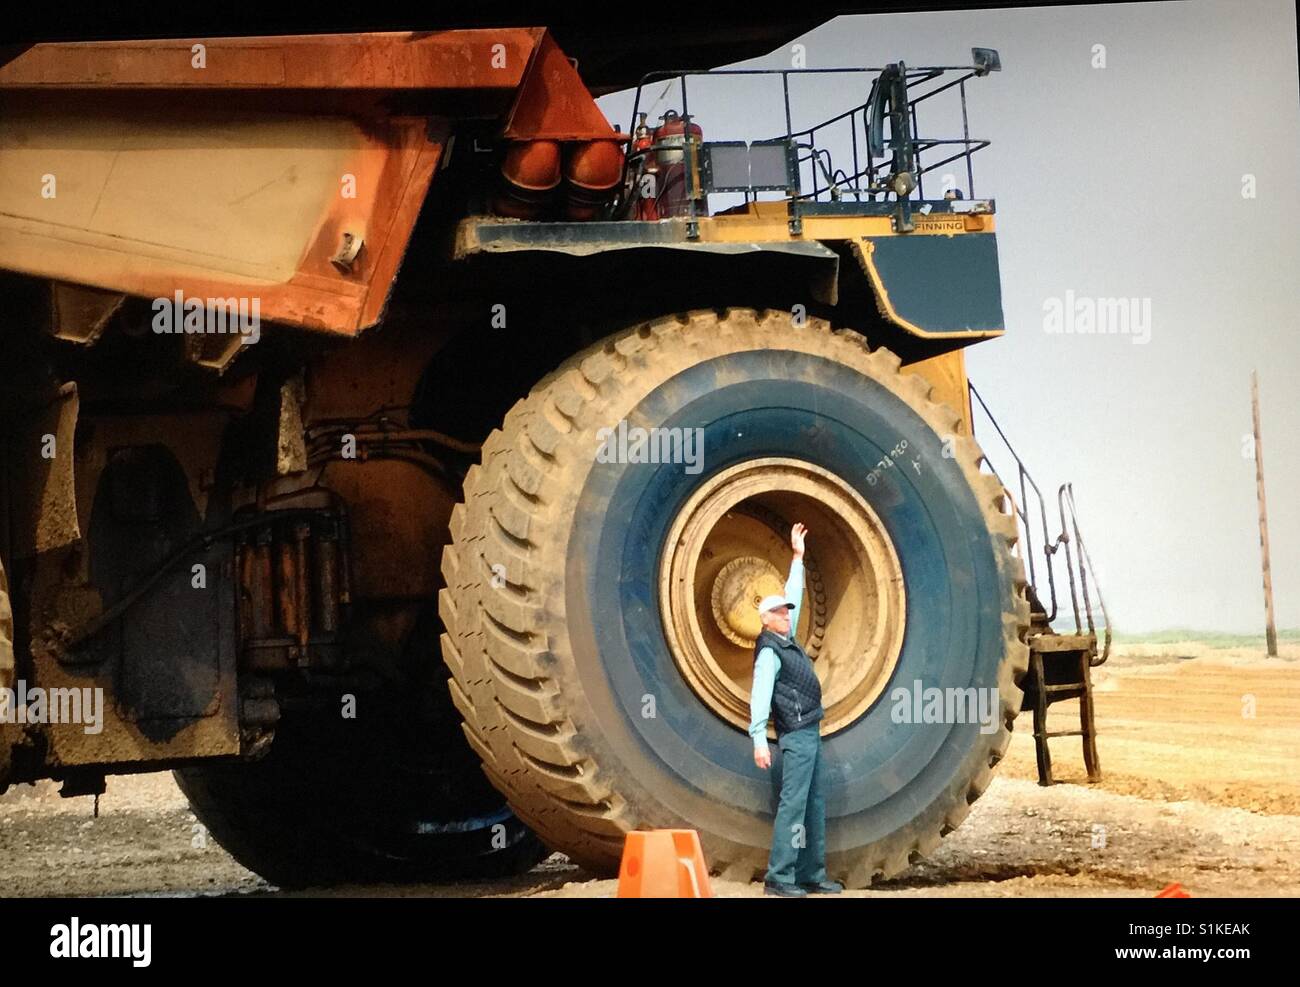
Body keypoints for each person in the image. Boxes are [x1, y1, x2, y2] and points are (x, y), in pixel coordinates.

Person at [749, 522, 844, 897]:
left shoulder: (785, 640)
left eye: (788, 612)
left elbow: (795, 595)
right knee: (793, 805)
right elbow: (759, 695)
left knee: (813, 804)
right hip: (796, 736)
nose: (788, 615)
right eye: (781, 613)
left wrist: (798, 559)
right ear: (767, 620)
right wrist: (758, 738)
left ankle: (811, 874)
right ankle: (779, 878)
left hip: (811, 731)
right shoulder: (770, 652)